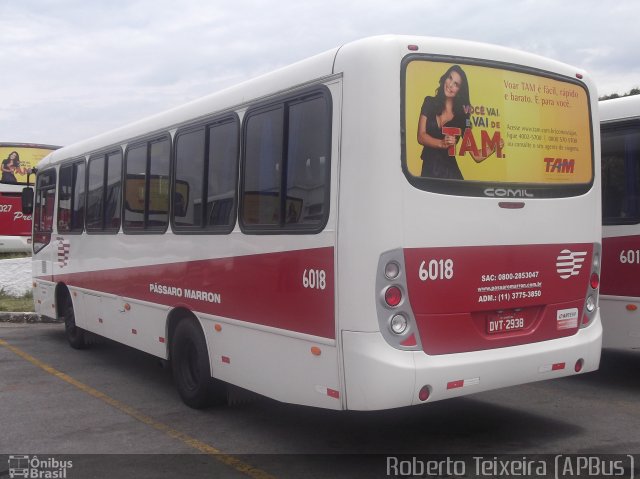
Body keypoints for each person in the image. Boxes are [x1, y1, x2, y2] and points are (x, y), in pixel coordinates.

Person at [417, 65, 499, 179]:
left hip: (451, 176)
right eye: (450, 78)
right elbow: (421, 136)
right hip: (428, 171)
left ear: (460, 90)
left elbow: (476, 156)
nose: (450, 85)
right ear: (445, 78)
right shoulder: (429, 102)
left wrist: (496, 146)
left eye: (456, 84)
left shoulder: (461, 117)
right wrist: (442, 143)